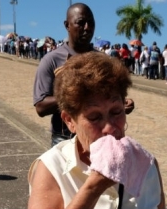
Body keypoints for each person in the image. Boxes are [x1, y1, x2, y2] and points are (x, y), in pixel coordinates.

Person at [28, 52, 166, 209]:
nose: (110, 128)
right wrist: (93, 188)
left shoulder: (146, 164)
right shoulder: (51, 167)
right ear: (69, 121)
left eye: (116, 112)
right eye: (94, 117)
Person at [33, 3, 135, 147]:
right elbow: (41, 106)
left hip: (101, 137)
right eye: (80, 23)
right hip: (65, 139)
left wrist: (121, 103)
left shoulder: (102, 60)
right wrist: (75, 95)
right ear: (67, 25)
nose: (87, 27)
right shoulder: (52, 60)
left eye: (91, 23)